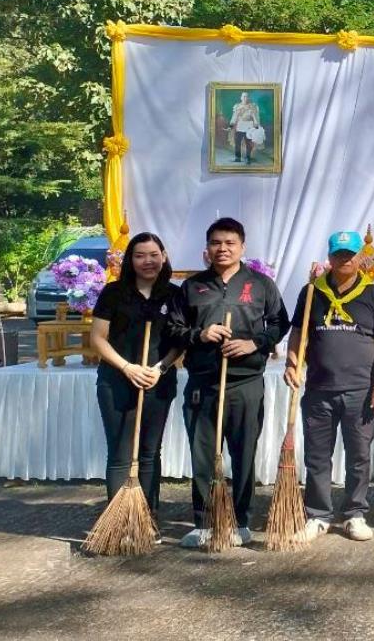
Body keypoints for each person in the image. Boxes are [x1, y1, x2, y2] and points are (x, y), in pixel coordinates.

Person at [169, 217, 290, 549]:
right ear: (207, 248)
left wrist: (255, 343)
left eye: (229, 243)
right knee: (204, 456)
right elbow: (174, 329)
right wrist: (201, 334)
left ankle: (241, 521)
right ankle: (205, 522)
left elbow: (280, 323)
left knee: (243, 453)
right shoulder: (191, 287)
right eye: (216, 243)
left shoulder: (261, 285)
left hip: (245, 383)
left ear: (242, 247)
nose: (222, 248)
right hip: (203, 383)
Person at [285, 231, 374, 543]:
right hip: (319, 389)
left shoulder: (373, 294)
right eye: (338, 254)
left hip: (361, 391)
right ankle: (318, 514)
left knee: (359, 455)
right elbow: (298, 333)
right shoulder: (311, 292)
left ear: (361, 257)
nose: (344, 259)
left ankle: (354, 513)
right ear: (330, 257)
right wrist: (293, 363)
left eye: (350, 254)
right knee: (317, 456)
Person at [88, 232, 184, 537]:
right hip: (116, 381)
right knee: (120, 452)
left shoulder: (174, 295)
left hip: (158, 381)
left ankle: (147, 519)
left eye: (154, 255)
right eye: (140, 255)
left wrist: (160, 368)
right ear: (130, 260)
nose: (147, 261)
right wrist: (128, 368)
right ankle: (119, 524)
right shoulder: (114, 293)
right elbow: (97, 339)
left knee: (150, 453)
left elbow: (179, 342)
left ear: (163, 257)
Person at [230, 93, 257, 163]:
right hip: (240, 126)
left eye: (247, 97)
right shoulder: (237, 106)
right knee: (237, 142)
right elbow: (234, 116)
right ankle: (237, 157)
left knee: (248, 143)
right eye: (244, 96)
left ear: (248, 98)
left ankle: (248, 157)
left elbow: (254, 117)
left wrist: (256, 124)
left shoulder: (251, 106)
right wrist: (231, 124)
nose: (245, 98)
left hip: (249, 127)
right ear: (241, 97)